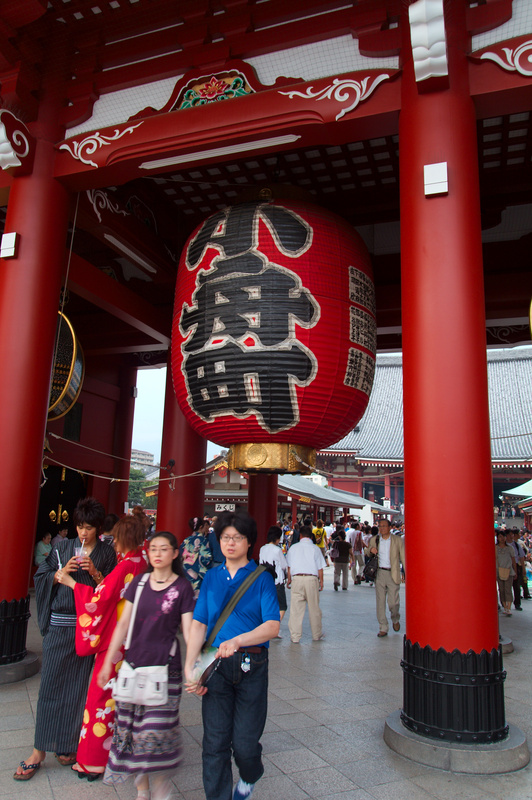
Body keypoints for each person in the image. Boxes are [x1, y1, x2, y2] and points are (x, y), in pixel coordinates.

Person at [14, 497, 116, 781]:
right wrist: (58, 575)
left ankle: (66, 745)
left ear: (98, 528)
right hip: (60, 625)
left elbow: (111, 590)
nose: (83, 533)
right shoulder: (61, 548)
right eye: (80, 527)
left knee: (77, 689)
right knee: (50, 686)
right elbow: (42, 575)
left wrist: (95, 573)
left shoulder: (106, 553)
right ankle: (39, 750)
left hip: (87, 632)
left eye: (89, 528)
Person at [184, 510, 280, 800]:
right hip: (216, 665)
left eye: (237, 538)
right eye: (225, 537)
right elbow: (199, 624)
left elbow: (272, 626)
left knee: (245, 745)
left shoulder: (262, 578)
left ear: (249, 542)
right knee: (214, 743)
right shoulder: (212, 577)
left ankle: (250, 774)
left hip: (252, 665)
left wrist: (238, 640)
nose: (230, 543)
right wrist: (191, 666)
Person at [99, 531, 195, 800]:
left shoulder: (183, 588)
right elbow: (123, 624)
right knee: (130, 732)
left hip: (166, 671)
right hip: (133, 666)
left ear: (174, 554)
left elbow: (189, 631)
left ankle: (162, 787)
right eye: (153, 549)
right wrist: (107, 663)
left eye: (164, 549)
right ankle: (142, 791)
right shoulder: (139, 583)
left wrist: (192, 667)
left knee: (157, 732)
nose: (157, 554)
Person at [56, 515, 147, 780]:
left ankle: (94, 760)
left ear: (125, 539)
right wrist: (97, 575)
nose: (113, 542)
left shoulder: (127, 564)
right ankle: (120, 753)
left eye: (116, 538)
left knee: (101, 698)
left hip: (117, 640)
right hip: (133, 637)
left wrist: (71, 583)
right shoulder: (140, 560)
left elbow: (100, 598)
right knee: (119, 699)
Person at [366, 518, 405, 637]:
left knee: (393, 602)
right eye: (380, 526)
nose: (382, 528)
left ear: (389, 527)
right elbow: (367, 552)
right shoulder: (375, 540)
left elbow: (403, 556)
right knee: (380, 602)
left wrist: (405, 572)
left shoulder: (397, 540)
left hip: (393, 573)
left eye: (384, 526)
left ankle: (395, 618)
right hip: (380, 573)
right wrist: (370, 550)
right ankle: (383, 626)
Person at [285, 525, 325, 643]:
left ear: (300, 535)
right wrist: (321, 581)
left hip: (297, 579)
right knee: (314, 608)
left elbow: (289, 566)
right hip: (311, 579)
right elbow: (320, 568)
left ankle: (295, 636)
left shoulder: (293, 548)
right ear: (311, 536)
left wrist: (289, 579)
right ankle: (316, 634)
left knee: (296, 609)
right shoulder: (315, 548)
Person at [259, 525, 289, 633]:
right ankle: (274, 627)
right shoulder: (277, 550)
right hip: (277, 581)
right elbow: (284, 565)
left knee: (268, 605)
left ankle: (267, 626)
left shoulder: (262, 548)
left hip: (265, 581)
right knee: (282, 606)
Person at [180, 516, 213, 597]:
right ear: (201, 527)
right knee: (197, 596)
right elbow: (206, 558)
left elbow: (180, 554)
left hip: (185, 570)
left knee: (185, 594)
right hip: (196, 571)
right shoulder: (203, 540)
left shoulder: (186, 540)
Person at [495, 530, 516, 616]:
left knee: (508, 589)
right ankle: (505, 606)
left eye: (503, 536)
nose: (502, 538)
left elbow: (513, 560)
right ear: (497, 538)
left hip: (509, 571)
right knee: (501, 589)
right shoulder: (495, 548)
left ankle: (509, 607)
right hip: (498, 571)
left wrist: (515, 570)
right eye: (500, 537)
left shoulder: (510, 548)